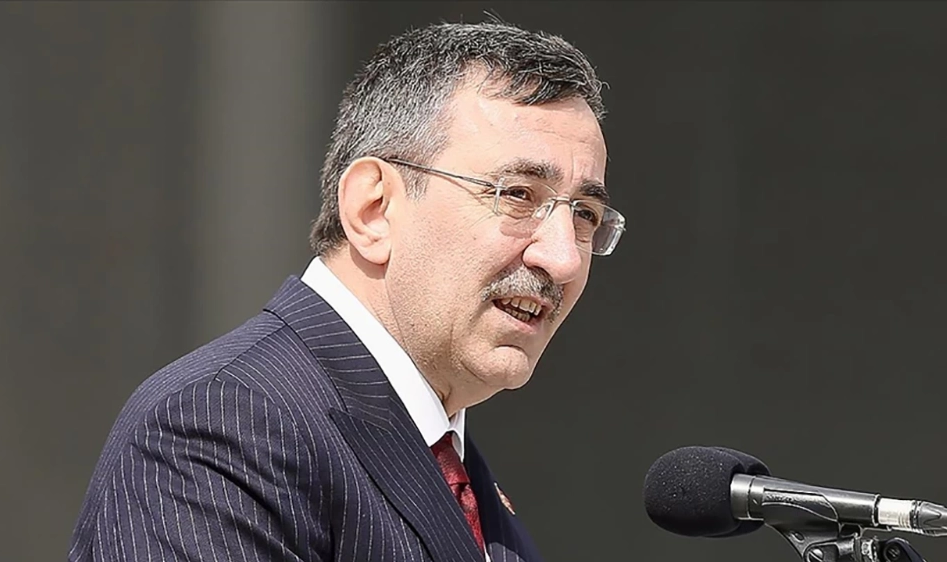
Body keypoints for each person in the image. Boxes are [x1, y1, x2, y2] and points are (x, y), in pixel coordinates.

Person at [69, 19, 624, 562]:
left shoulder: (452, 462)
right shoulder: (222, 424)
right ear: (373, 209)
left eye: (584, 213)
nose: (564, 258)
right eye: (518, 195)